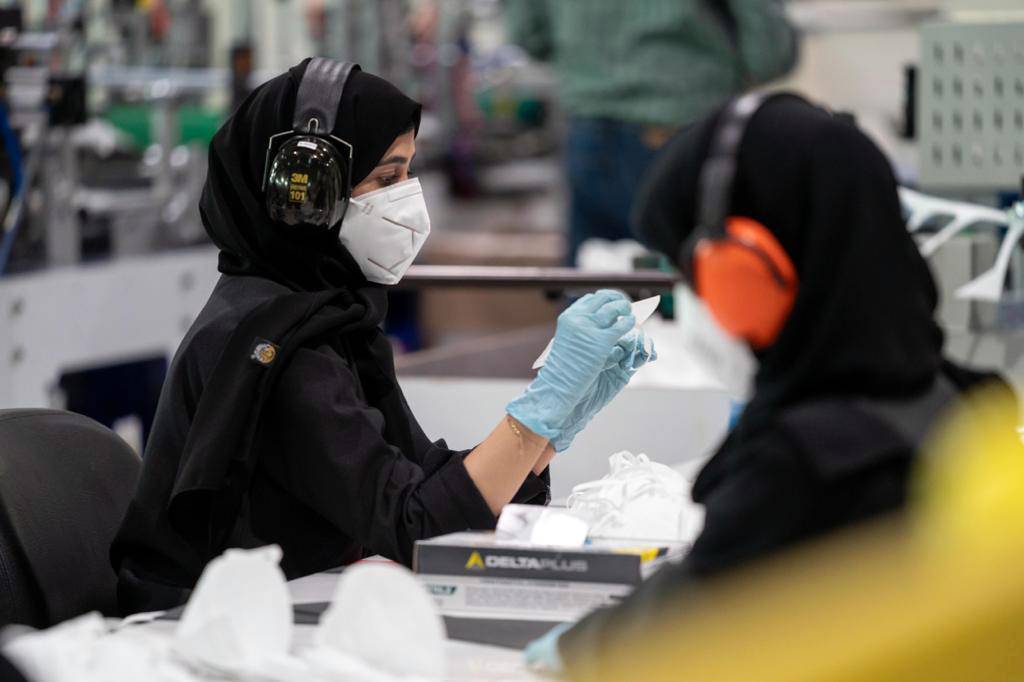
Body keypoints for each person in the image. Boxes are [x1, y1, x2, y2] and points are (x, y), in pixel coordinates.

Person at [111, 58, 654, 614]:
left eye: (409, 172)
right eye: (387, 177)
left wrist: (556, 423)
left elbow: (422, 485)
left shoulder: (327, 315)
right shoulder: (275, 347)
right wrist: (539, 409)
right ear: (309, 196)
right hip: (197, 637)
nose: (410, 199)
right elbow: (418, 526)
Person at [524, 92, 1014, 675]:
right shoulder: (967, 401)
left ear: (747, 275)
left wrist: (570, 652)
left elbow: (679, 624)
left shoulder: (806, 464)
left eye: (694, 276)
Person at [504, 0, 798, 264]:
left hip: (587, 131)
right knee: (687, 302)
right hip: (682, 133)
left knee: (593, 300)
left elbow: (529, 34)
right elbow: (769, 53)